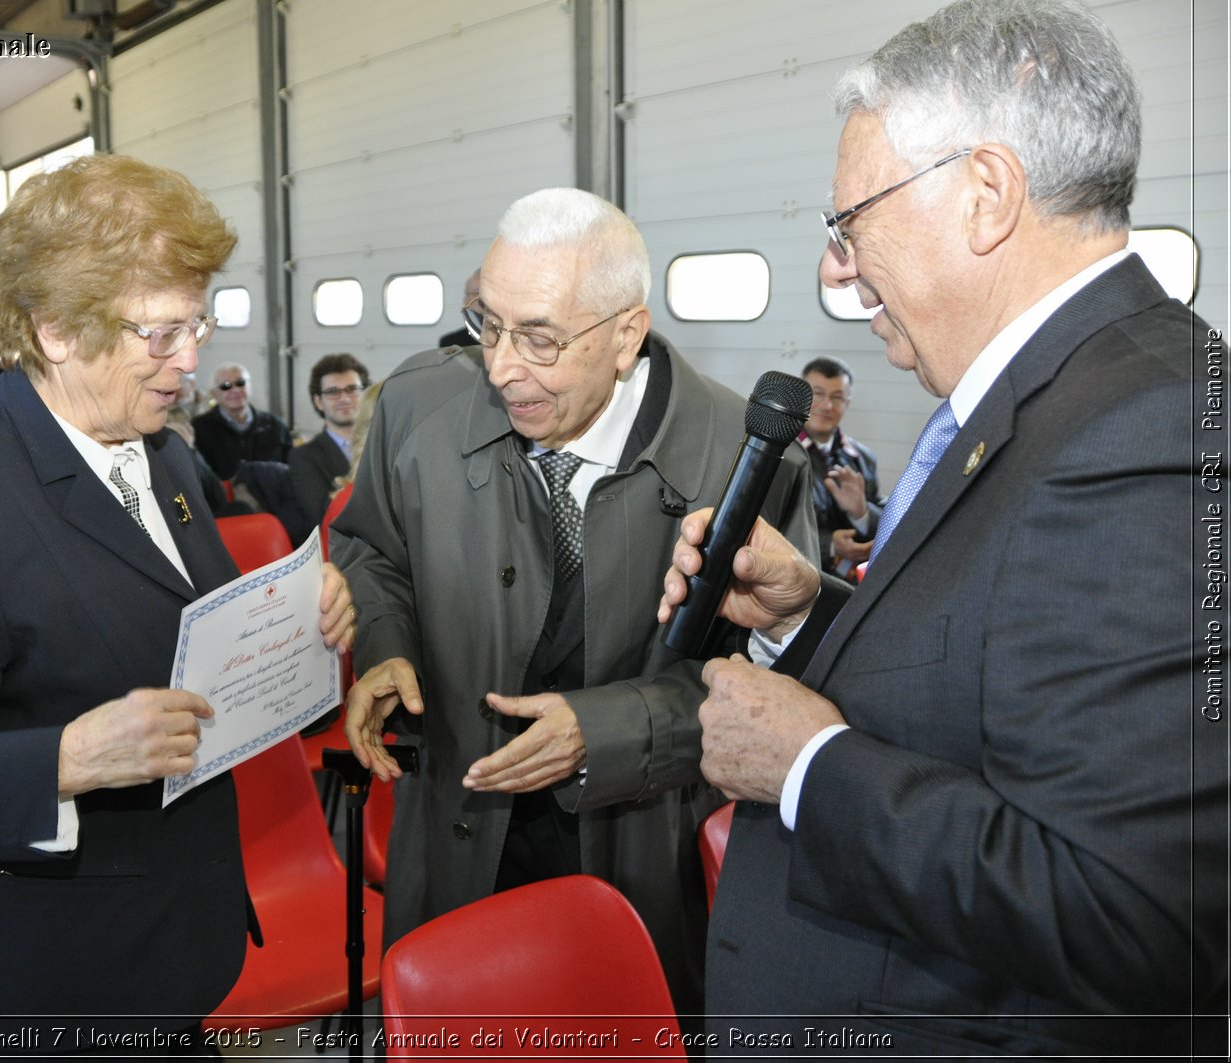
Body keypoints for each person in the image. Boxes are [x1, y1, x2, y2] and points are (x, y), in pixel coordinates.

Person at [656, 0, 1227, 1054]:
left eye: (849, 222)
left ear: (986, 195)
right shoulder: (1067, 394)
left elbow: (1131, 911)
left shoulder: (1141, 431)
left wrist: (805, 765)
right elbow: (991, 679)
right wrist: (807, 614)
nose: (834, 268)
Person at [0, 153, 356, 1058]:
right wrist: (63, 759)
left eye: (198, 323)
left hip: (167, 939)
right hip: (41, 975)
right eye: (161, 332)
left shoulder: (160, 449)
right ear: (55, 328)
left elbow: (189, 628)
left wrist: (299, 611)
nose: (191, 358)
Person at [330, 187, 817, 1017]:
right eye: (488, 321)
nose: (499, 366)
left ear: (626, 334)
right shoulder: (418, 406)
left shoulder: (746, 461)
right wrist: (384, 641)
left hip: (636, 848)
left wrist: (610, 729)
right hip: (454, 820)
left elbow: (780, 689)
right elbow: (372, 546)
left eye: (540, 339)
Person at [796, 356, 882, 576]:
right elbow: (766, 522)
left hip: (849, 583)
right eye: (818, 394)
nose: (827, 406)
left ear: (847, 403)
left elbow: (882, 524)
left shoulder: (863, 458)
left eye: (837, 397)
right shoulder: (779, 453)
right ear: (801, 394)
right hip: (794, 576)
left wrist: (861, 512)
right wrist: (829, 544)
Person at [289, 353, 370, 535]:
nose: (344, 398)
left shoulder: (382, 444)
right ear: (318, 401)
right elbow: (323, 516)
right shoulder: (304, 457)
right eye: (333, 392)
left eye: (352, 389)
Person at [190, 362, 293, 479]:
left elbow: (290, 469)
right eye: (226, 386)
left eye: (240, 383)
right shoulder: (199, 429)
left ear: (250, 386)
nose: (235, 390)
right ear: (214, 394)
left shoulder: (275, 425)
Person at [436, 267, 482, 348]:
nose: (483, 298)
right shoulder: (451, 343)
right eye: (477, 292)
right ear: (466, 301)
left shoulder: (506, 337)